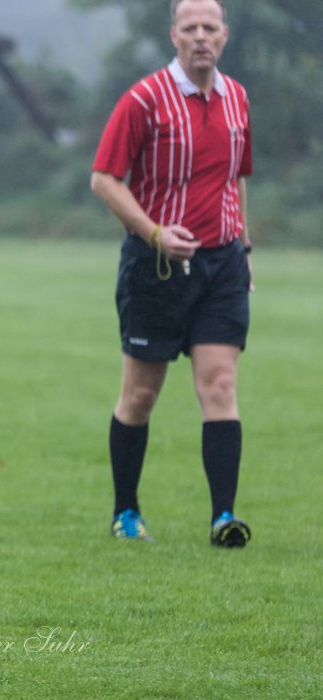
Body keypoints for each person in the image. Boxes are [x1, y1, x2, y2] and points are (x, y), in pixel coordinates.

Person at [91, 0, 253, 547]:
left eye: (211, 27)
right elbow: (104, 181)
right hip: (156, 265)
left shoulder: (237, 99)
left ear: (225, 36)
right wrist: (155, 231)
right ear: (174, 36)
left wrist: (245, 248)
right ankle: (126, 512)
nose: (202, 36)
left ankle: (224, 517)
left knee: (221, 384)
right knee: (140, 395)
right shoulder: (144, 100)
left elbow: (236, 179)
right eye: (192, 28)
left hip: (223, 264)